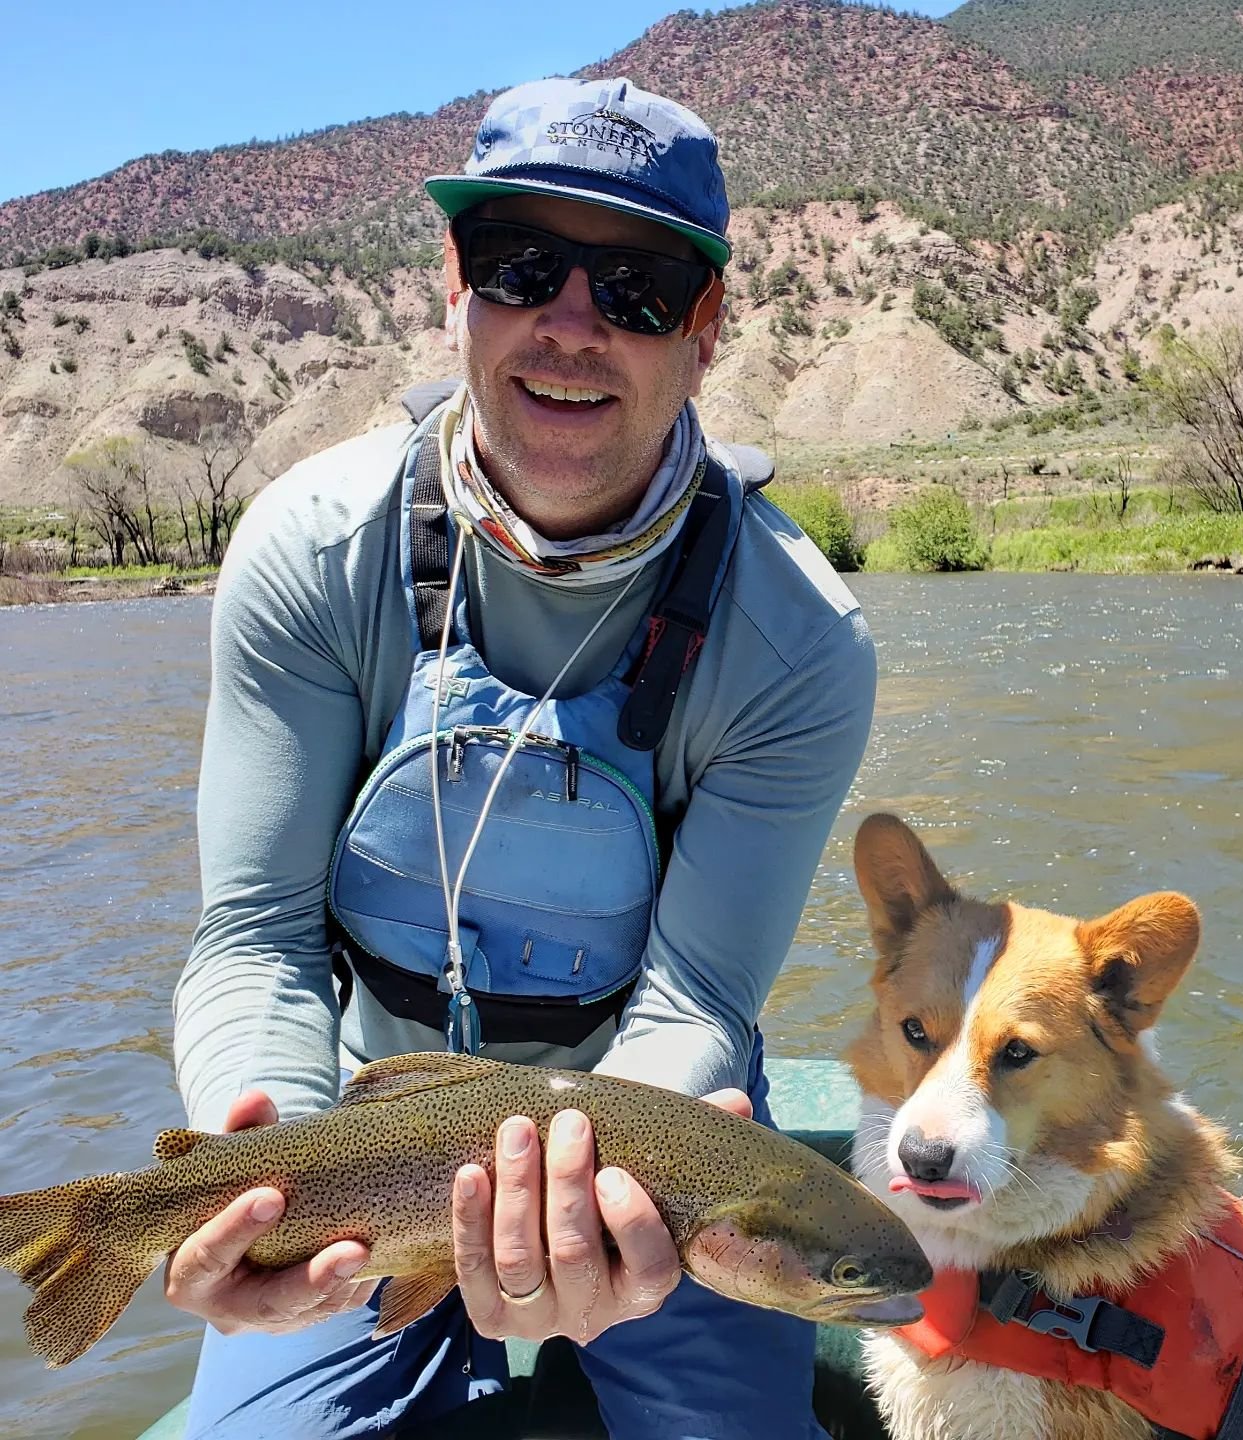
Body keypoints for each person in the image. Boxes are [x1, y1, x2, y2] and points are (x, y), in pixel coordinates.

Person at [167, 75, 877, 1439]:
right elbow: (253, 943)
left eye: (640, 289)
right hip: (350, 1135)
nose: (570, 327)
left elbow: (697, 997)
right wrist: (265, 1171)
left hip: (657, 1144)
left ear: (708, 326)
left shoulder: (797, 643)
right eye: (521, 266)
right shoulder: (312, 549)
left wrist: (613, 1209)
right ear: (457, 285)